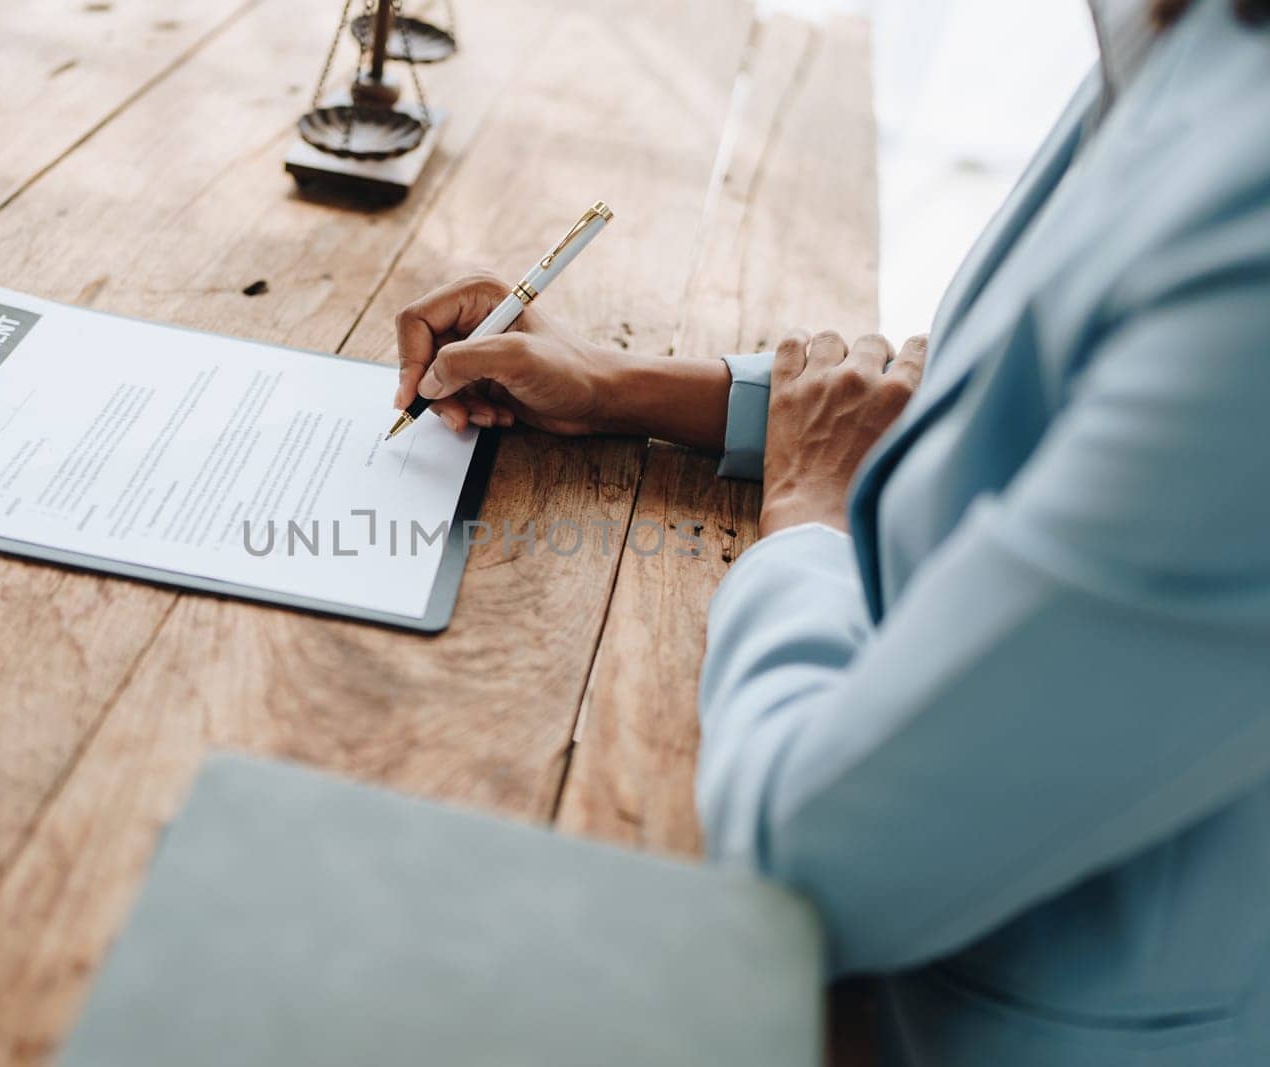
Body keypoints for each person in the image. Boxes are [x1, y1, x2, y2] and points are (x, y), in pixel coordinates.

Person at [390, 1, 1270, 1063]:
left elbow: (811, 852)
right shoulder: (1185, 37)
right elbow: (1039, 397)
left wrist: (804, 511)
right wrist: (619, 386)